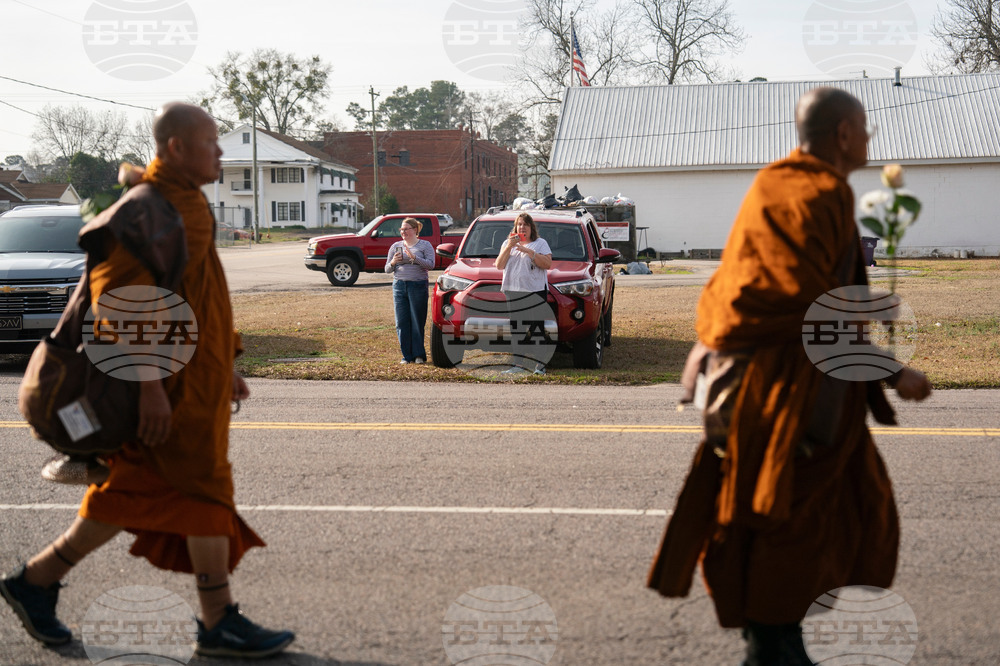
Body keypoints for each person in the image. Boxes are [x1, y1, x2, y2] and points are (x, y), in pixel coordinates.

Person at [647, 87, 931, 665]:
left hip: (754, 380)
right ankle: (772, 646)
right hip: (786, 395)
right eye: (865, 129)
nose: (871, 140)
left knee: (790, 512)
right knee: (788, 518)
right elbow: (811, 310)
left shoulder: (771, 184)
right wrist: (892, 371)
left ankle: (775, 639)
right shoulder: (823, 192)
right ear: (845, 134)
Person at [0, 102, 295, 659]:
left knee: (138, 493)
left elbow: (204, 294)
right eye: (212, 142)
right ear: (177, 148)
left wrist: (226, 360)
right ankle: (217, 622)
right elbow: (121, 307)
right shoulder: (143, 213)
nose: (221, 153)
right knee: (199, 490)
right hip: (162, 390)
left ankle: (34, 584)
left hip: (196, 383)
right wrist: (152, 387)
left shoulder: (188, 205)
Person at [495, 212, 553, 375]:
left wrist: (527, 250)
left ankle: (539, 366)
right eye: (519, 224)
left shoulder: (540, 243)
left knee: (536, 328)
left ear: (531, 228)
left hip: (535, 291)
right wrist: (509, 247)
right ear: (515, 227)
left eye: (525, 225)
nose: (522, 227)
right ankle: (517, 365)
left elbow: (547, 264)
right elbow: (499, 265)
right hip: (513, 291)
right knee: (516, 328)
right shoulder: (508, 243)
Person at [385, 217, 435, 364]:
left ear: (415, 230)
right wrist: (394, 262)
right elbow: (387, 268)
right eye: (401, 229)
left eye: (406, 229)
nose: (403, 231)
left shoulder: (425, 246)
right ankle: (406, 356)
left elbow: (431, 265)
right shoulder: (396, 246)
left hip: (418, 285)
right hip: (399, 286)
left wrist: (415, 258)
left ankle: (419, 355)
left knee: (416, 321)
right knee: (401, 322)